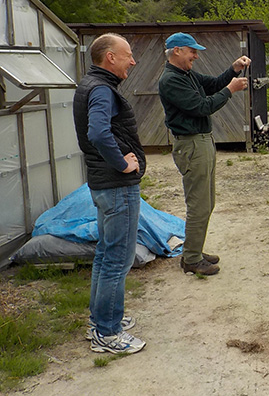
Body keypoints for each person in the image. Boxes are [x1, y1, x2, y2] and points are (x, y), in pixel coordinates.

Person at [73, 33, 146, 354]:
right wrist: (123, 164)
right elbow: (99, 133)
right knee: (118, 259)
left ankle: (101, 319)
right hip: (116, 186)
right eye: (127, 55)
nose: (133, 61)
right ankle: (107, 332)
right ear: (110, 57)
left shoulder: (90, 84)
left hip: (103, 185)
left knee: (105, 255)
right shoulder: (102, 89)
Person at [158, 32, 250, 276]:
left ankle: (194, 251)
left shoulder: (186, 74)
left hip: (201, 142)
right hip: (191, 145)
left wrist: (233, 69)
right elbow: (202, 107)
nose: (196, 56)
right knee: (198, 205)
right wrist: (230, 90)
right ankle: (191, 259)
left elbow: (213, 84)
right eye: (192, 51)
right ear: (177, 51)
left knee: (207, 202)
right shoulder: (171, 80)